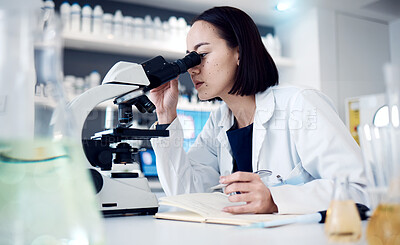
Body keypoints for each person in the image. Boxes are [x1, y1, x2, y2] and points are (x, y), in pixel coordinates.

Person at [149, 6, 367, 214]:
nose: (192, 68)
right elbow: (186, 195)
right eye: (189, 58)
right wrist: (166, 116)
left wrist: (275, 199)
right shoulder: (218, 122)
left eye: (202, 54)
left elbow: (360, 189)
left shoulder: (300, 105)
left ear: (239, 53)